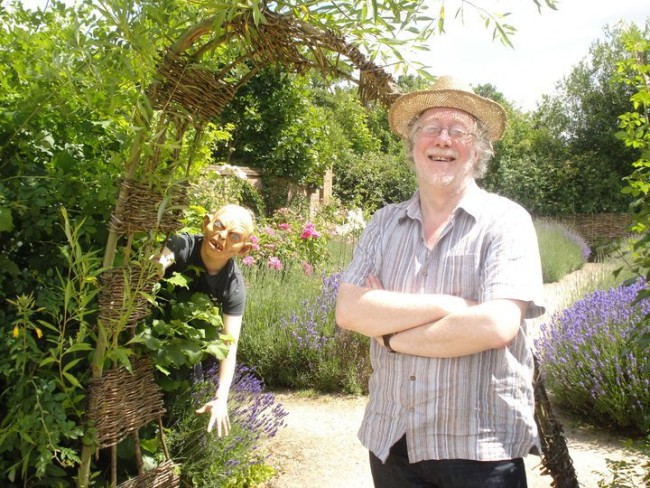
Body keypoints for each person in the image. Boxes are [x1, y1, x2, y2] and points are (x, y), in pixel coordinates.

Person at [335, 76, 545, 488]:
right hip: (393, 441)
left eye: (459, 130)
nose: (443, 139)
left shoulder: (506, 221)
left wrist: (392, 334)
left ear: (478, 149)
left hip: (480, 449)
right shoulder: (383, 223)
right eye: (431, 127)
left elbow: (495, 325)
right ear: (414, 145)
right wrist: (453, 306)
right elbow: (349, 310)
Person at [158, 204, 255, 436]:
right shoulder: (183, 245)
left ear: (243, 249)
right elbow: (163, 259)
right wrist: (158, 265)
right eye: (219, 225)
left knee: (179, 411)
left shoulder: (233, 287)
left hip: (187, 353)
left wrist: (221, 399)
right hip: (152, 336)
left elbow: (228, 346)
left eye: (234, 236)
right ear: (206, 223)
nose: (222, 236)